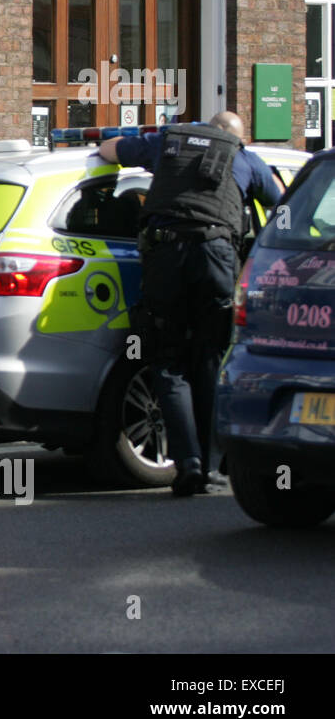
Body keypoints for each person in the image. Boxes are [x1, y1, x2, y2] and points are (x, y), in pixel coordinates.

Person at [98, 112, 283, 496]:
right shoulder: (245, 159)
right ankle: (215, 467)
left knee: (168, 361)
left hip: (166, 256)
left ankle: (188, 465)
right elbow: (284, 206)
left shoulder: (167, 142)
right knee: (212, 358)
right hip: (216, 257)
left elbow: (109, 149)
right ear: (236, 137)